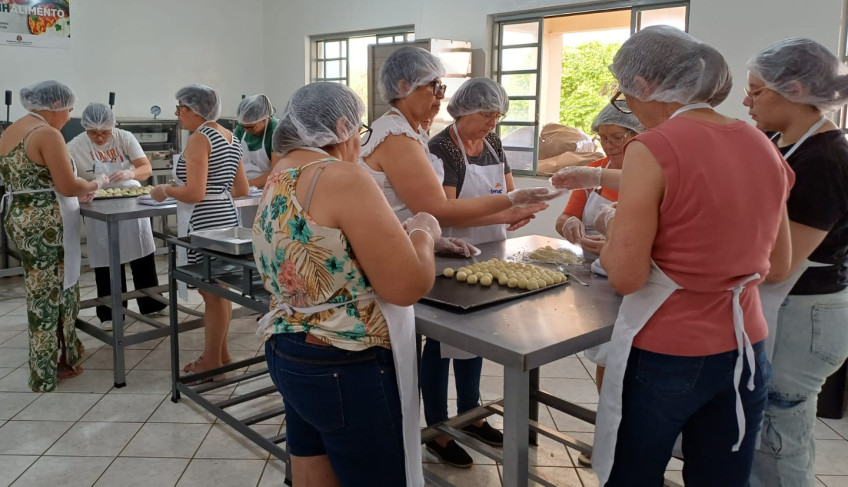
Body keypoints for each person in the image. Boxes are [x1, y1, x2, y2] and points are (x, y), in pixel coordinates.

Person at [585, 26, 793, 487]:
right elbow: (777, 266)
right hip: (746, 347)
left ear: (642, 85)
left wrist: (610, 225)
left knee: (635, 473)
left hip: (669, 351)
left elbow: (625, 275)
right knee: (720, 476)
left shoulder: (652, 147)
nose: (630, 111)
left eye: (625, 98)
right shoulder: (762, 144)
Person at [253, 81, 437, 486]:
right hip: (345, 361)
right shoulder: (343, 176)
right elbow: (406, 286)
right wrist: (424, 231)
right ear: (341, 127)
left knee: (312, 474)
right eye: (360, 132)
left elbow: (326, 246)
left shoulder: (280, 171)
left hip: (289, 349)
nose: (360, 143)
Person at [744, 38, 848, 487]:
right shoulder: (774, 141)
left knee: (779, 432)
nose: (746, 101)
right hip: (780, 307)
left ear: (796, 89)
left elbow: (781, 263)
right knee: (761, 426)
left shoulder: (826, 159)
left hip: (806, 314)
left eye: (756, 91)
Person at [421, 77, 529, 467]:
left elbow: (509, 188)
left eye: (497, 115)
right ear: (463, 111)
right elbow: (445, 209)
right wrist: (507, 209)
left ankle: (470, 414)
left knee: (477, 337)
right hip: (450, 255)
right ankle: (436, 431)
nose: (493, 123)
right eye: (486, 114)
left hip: (490, 249)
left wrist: (518, 211)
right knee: (440, 342)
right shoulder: (441, 148)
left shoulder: (493, 143)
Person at [359, 46, 559, 251]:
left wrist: (436, 241)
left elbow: (418, 209)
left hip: (405, 243)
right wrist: (510, 201)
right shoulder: (396, 135)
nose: (440, 95)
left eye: (442, 87)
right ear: (403, 87)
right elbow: (437, 209)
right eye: (434, 86)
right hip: (389, 249)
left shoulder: (408, 132)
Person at [0, 80, 108, 392]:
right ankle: (48, 370)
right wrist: (95, 184)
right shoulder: (47, 133)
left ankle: (65, 353)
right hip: (46, 224)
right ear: (55, 106)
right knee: (51, 297)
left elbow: (38, 178)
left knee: (44, 290)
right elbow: (67, 186)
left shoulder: (12, 130)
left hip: (21, 215)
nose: (69, 115)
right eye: (69, 109)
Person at [552, 102, 642, 467]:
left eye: (617, 137)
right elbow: (565, 216)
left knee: (629, 363)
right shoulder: (594, 172)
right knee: (605, 361)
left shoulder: (649, 175)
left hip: (632, 281)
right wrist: (569, 227)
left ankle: (624, 442)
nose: (609, 145)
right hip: (595, 282)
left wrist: (617, 245)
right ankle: (609, 435)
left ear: (637, 136)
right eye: (603, 138)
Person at [150, 84, 249, 377]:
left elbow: (194, 193)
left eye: (180, 108)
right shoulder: (230, 137)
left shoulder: (199, 139)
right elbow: (241, 188)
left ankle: (211, 361)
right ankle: (221, 352)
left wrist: (164, 189)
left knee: (211, 291)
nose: (177, 114)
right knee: (221, 289)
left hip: (206, 221)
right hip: (227, 216)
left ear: (195, 110)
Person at [67, 103, 167, 331]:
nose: (100, 137)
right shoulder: (75, 146)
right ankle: (111, 312)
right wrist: (87, 187)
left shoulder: (124, 137)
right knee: (106, 256)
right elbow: (69, 177)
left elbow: (146, 168)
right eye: (94, 133)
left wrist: (131, 172)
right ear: (85, 128)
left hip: (131, 198)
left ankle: (151, 302)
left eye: (105, 132)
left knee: (142, 251)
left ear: (113, 126)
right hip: (97, 201)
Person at [234, 94, 280, 189]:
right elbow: (232, 161)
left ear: (265, 119)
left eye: (251, 127)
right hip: (244, 186)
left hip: (269, 187)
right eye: (243, 126)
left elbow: (275, 172)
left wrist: (245, 185)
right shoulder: (240, 129)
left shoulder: (277, 131)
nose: (246, 131)